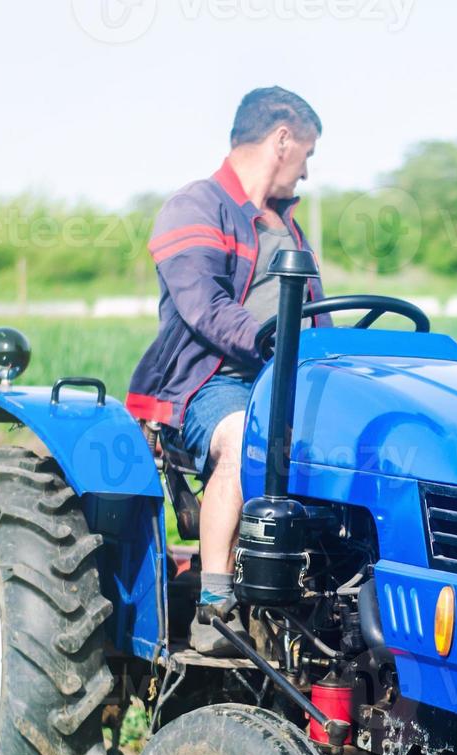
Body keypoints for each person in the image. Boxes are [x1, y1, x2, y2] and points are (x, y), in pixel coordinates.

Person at [126, 86, 326, 649]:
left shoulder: (288, 230)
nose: (306, 174)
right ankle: (215, 604)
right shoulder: (194, 208)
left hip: (286, 381)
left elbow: (315, 319)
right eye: (307, 155)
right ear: (282, 140)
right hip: (213, 386)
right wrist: (274, 347)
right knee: (248, 441)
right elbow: (204, 309)